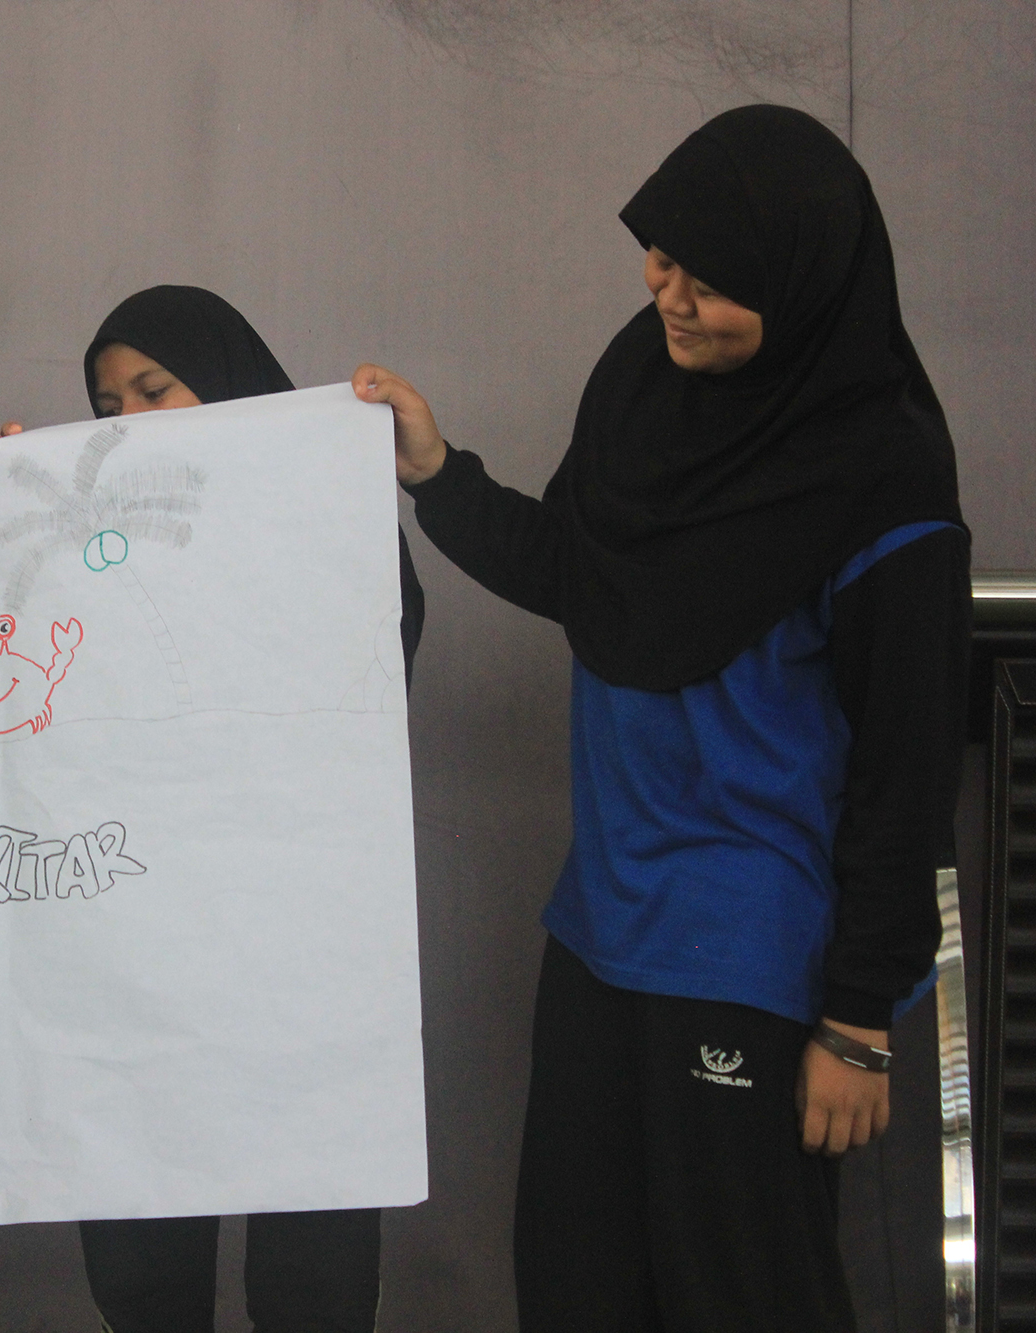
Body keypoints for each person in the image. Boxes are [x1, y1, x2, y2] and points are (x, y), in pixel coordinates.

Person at [356, 104, 968, 1331]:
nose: (668, 296)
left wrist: (857, 1021)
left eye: (709, 281)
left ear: (796, 284)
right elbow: (585, 580)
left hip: (751, 950)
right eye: (659, 257)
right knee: (575, 1283)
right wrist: (436, 474)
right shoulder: (642, 383)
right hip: (601, 924)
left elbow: (906, 771)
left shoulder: (884, 475)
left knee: (742, 1294)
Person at [67, 284, 420, 1333]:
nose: (130, 421)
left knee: (310, 1247)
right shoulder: (85, 538)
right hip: (135, 932)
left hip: (294, 933)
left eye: (154, 389)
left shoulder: (325, 519)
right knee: (143, 1246)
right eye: (107, 406)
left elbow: (379, 657)